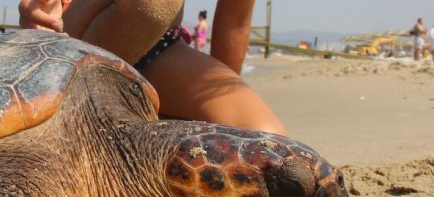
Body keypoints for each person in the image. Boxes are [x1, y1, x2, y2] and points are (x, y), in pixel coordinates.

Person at [18, 0, 287, 136]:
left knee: (268, 146)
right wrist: (37, 9)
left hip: (157, 51)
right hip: (70, 46)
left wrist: (220, 132)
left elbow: (235, 21)